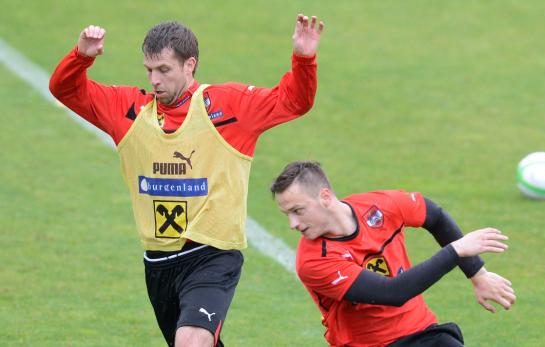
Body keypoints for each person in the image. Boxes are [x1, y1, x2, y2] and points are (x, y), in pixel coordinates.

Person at [49, 15, 324, 347]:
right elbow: (63, 89)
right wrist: (81, 56)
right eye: (149, 70)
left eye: (164, 70)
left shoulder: (227, 106)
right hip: (159, 262)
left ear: (189, 64)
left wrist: (304, 58)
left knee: (191, 342)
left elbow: (295, 101)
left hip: (212, 254)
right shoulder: (129, 111)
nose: (155, 80)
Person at [270, 161, 516, 347]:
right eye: (287, 214)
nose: (293, 223)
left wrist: (478, 274)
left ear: (324, 197)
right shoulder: (313, 261)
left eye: (298, 211)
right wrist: (456, 251)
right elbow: (393, 293)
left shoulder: (378, 206)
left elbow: (435, 216)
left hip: (422, 332)